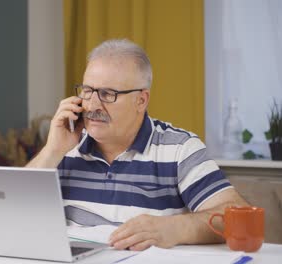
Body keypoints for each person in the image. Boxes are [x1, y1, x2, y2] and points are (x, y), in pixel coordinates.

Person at [26, 39, 248, 251]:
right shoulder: (66, 145)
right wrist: (52, 151)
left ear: (141, 100)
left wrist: (175, 228)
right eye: (87, 91)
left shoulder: (179, 148)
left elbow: (240, 217)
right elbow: (13, 211)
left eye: (107, 94)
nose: (93, 104)